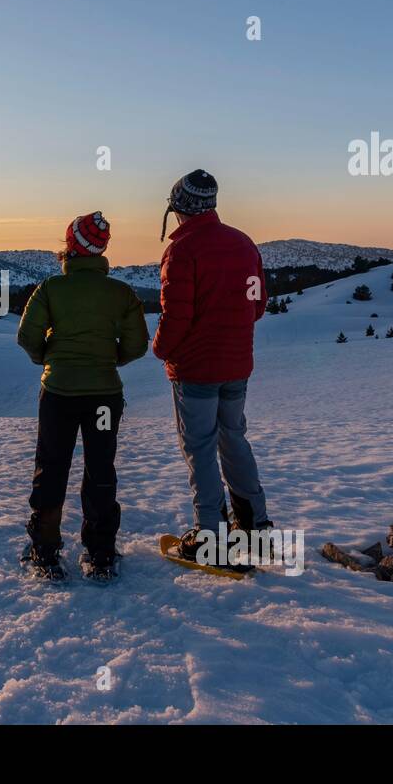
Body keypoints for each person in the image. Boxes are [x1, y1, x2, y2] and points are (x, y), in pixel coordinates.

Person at [16, 212, 149, 581]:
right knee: (100, 467)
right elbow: (138, 344)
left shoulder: (50, 289)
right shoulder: (122, 293)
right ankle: (100, 552)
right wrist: (110, 360)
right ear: (102, 249)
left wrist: (50, 358)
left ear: (70, 246)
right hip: (104, 397)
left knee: (52, 466)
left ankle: (44, 551)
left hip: (59, 393)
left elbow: (27, 337)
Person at [151, 170, 272, 567]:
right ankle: (255, 526)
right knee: (233, 438)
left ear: (179, 208)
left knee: (200, 447)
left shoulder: (182, 250)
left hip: (195, 369)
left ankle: (213, 537)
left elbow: (177, 316)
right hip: (237, 364)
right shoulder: (243, 244)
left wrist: (160, 348)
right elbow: (257, 305)